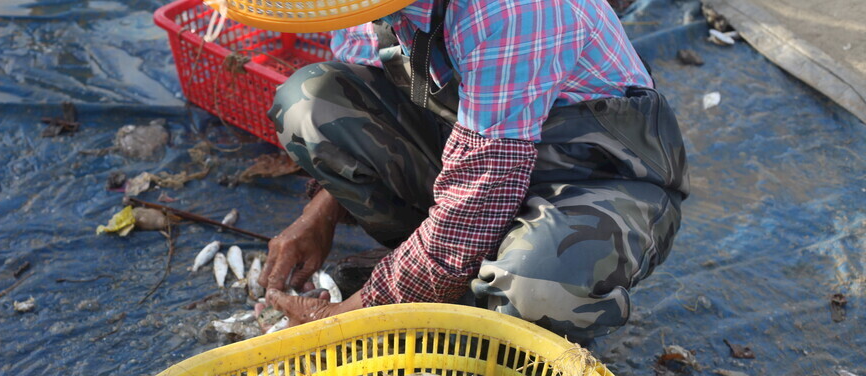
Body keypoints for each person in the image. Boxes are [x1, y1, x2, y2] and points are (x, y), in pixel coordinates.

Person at [252, 0, 689, 342]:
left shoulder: (511, 11)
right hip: (475, 159)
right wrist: (318, 217)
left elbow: (481, 196)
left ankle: (476, 287)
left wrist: (354, 317)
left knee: (533, 288)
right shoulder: (363, 8)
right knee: (309, 102)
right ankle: (446, 279)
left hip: (597, 179)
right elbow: (390, 102)